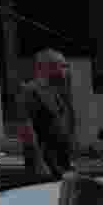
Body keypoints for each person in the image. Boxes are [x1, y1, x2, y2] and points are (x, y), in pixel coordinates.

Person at [18, 49, 76, 179]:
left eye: (65, 66)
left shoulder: (57, 91)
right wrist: (39, 163)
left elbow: (63, 125)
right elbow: (26, 129)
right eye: (61, 65)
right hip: (45, 165)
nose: (65, 70)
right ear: (44, 67)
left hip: (60, 163)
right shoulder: (30, 91)